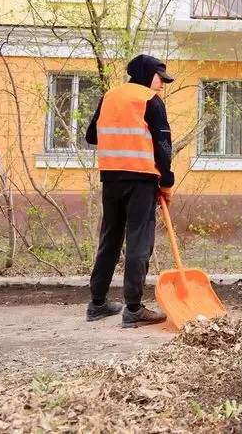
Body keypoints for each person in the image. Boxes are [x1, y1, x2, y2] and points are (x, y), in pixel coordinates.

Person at [84, 54, 175, 328]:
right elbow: (163, 146)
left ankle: (97, 303)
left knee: (110, 238)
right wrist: (167, 182)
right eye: (160, 78)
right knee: (139, 241)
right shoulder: (150, 101)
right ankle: (133, 309)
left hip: (111, 178)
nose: (161, 85)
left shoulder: (109, 96)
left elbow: (91, 135)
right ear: (148, 74)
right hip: (142, 179)